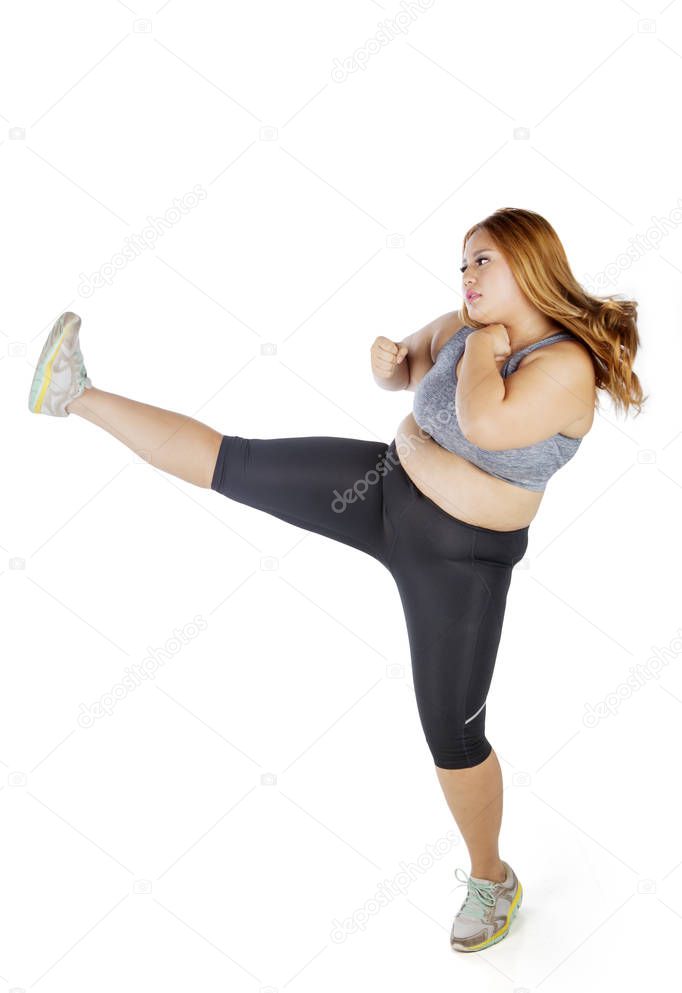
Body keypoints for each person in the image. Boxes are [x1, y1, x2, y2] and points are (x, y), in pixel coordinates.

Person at [27, 207, 645, 953]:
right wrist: (393, 362)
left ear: (531, 261)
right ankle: (76, 394)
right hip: (383, 493)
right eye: (462, 265)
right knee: (238, 463)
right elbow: (410, 367)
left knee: (452, 732)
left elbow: (483, 421)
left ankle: (493, 876)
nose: (467, 277)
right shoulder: (463, 326)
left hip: (460, 563)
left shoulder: (563, 364)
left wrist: (477, 339)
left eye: (482, 261)